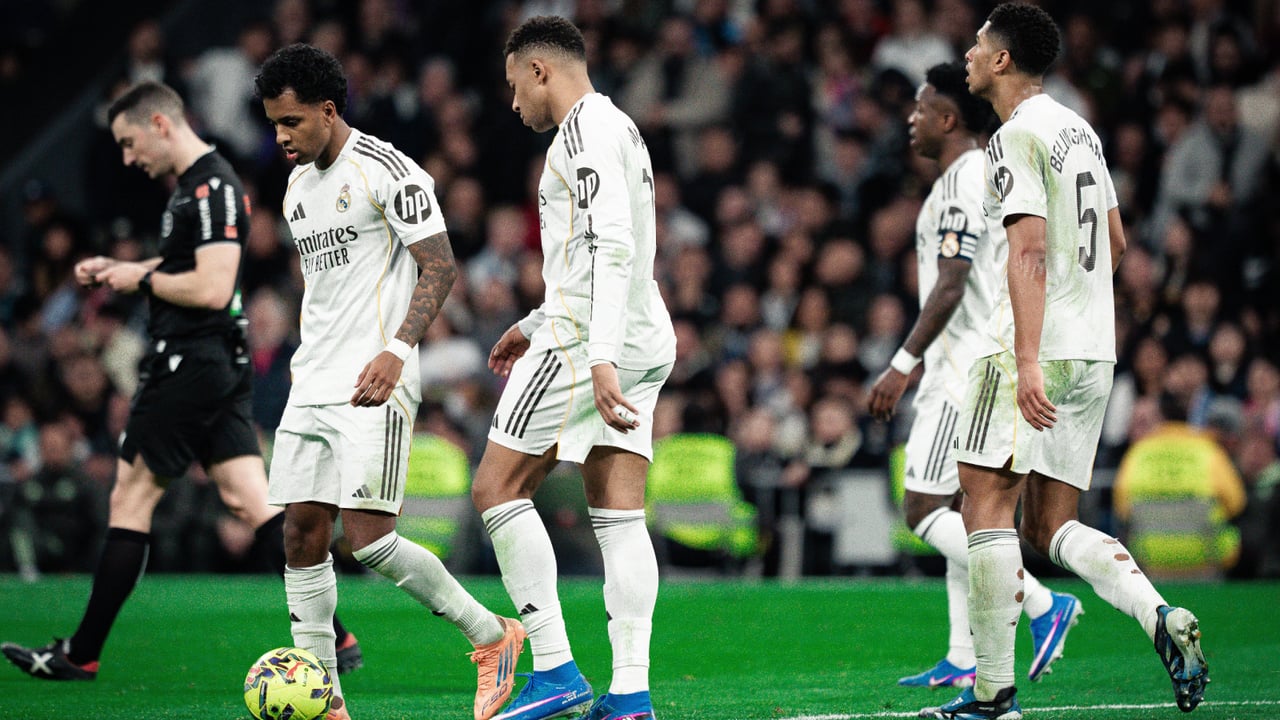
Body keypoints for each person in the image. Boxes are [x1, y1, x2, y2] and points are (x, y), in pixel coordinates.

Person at [0, 80, 363, 681]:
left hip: (188, 364)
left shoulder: (209, 187)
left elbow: (213, 287)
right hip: (213, 362)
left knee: (130, 499)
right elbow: (193, 268)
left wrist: (140, 280)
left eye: (129, 142)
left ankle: (81, 652)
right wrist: (126, 268)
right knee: (251, 501)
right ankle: (338, 635)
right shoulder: (201, 186)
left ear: (160, 125)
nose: (127, 157)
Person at [922, 6, 1209, 718]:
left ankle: (993, 694)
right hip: (1092, 349)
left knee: (983, 503)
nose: (968, 52)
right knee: (1049, 526)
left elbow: (1026, 252)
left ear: (1002, 60)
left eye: (979, 43)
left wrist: (1026, 359)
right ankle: (1159, 615)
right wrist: (1078, 315)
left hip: (1031, 349)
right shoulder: (1080, 129)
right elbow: (1116, 242)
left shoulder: (1013, 136)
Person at [253, 44, 524, 720]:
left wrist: (397, 351)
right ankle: (326, 700)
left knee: (370, 539)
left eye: (292, 122)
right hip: (312, 380)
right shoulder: (296, 188)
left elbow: (440, 265)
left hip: (375, 376)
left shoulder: (387, 170)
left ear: (328, 110)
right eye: (274, 124)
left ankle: (492, 634)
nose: (281, 137)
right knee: (301, 535)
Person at [472, 16, 676, 720]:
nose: (513, 103)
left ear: (540, 71)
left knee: (497, 489)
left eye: (514, 86)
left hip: (588, 339)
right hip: (639, 331)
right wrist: (531, 322)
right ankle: (631, 693)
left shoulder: (582, 133)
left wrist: (597, 356)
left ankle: (555, 668)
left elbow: (610, 246)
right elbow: (599, 255)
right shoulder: (620, 126)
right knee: (619, 515)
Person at [868, 61, 1081, 691]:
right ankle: (964, 654)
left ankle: (1042, 603)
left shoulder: (963, 180)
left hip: (959, 370)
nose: (911, 119)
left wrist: (901, 363)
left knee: (921, 507)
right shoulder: (967, 177)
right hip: (973, 362)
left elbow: (952, 283)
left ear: (947, 118)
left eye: (920, 109)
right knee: (964, 508)